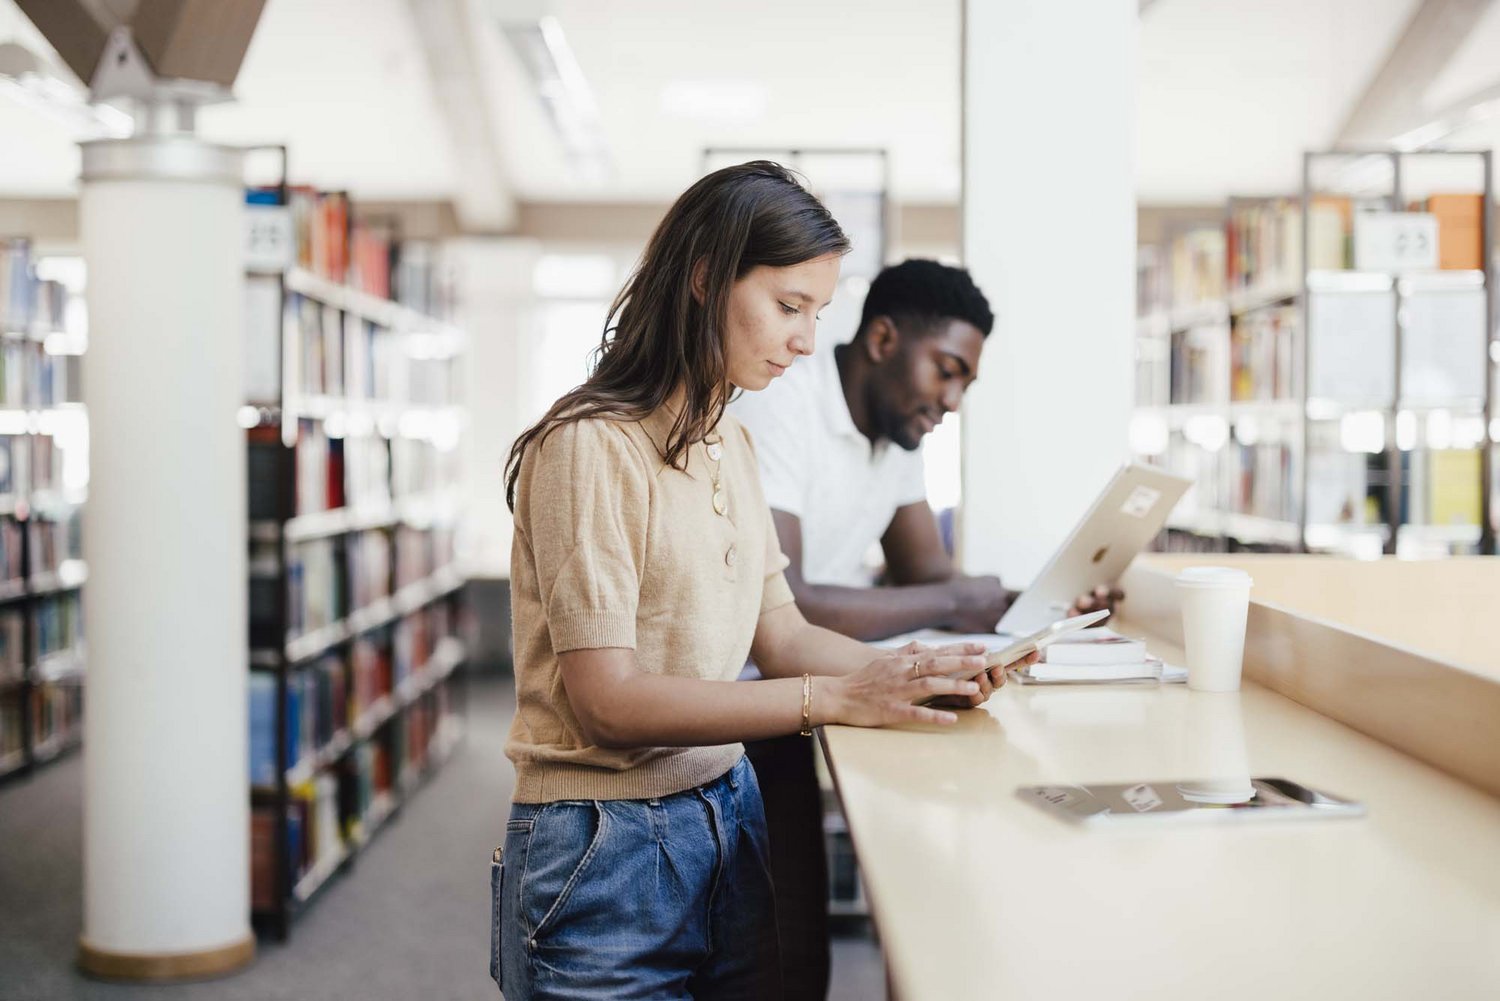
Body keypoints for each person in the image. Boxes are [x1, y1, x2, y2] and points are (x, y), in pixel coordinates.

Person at [493, 163, 1032, 1001]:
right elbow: (609, 700)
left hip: (724, 805)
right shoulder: (589, 446)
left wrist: (929, 672)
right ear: (706, 280)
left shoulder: (729, 444)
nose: (807, 341)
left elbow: (778, 634)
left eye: (817, 313)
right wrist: (831, 698)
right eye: (789, 307)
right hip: (605, 842)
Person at [730, 258, 1115, 1000]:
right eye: (947, 371)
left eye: (964, 382)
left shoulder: (895, 435)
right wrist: (959, 597)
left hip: (808, 691)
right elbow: (787, 604)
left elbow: (927, 580)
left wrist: (1038, 604)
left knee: (812, 954)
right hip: (746, 707)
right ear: (882, 338)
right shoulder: (785, 404)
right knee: (790, 965)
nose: (953, 399)